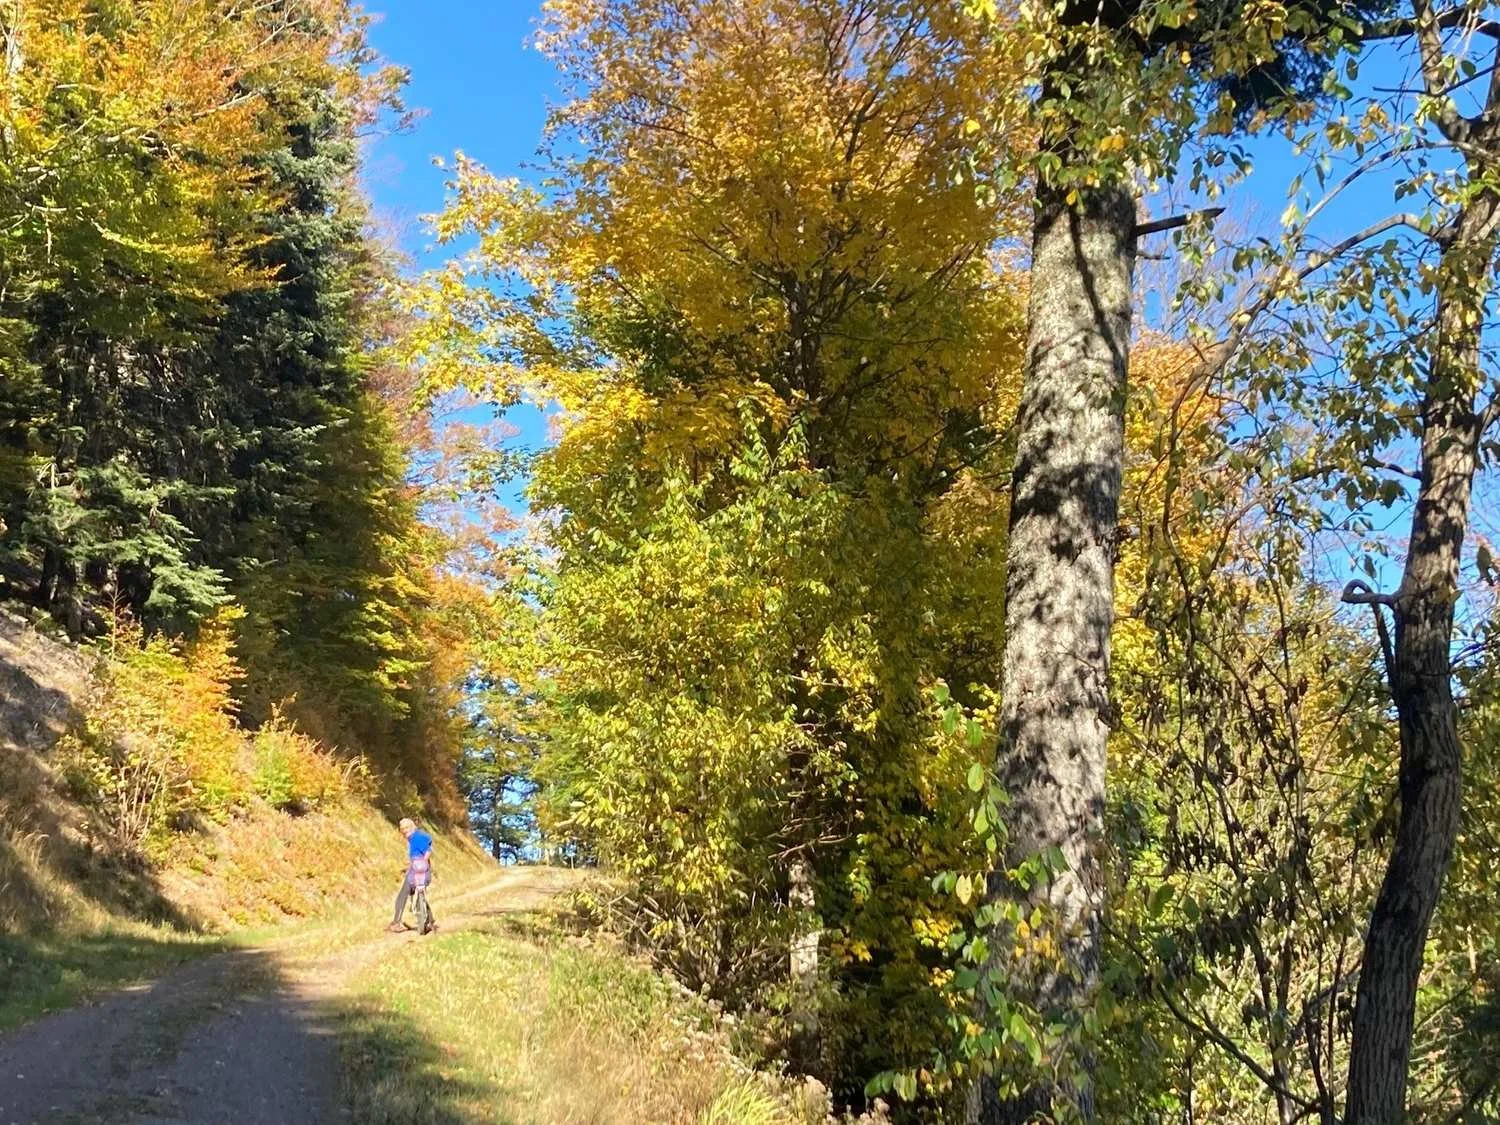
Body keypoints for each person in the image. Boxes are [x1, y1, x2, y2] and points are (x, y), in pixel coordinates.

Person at [388, 817, 437, 933]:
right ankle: (430, 920)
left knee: (402, 895)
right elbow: (428, 842)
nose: (404, 831)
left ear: (411, 827)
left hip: (418, 871)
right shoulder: (418, 836)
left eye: (406, 828)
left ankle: (396, 922)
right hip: (425, 872)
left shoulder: (415, 838)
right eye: (402, 829)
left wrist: (422, 863)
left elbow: (427, 851)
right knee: (419, 894)